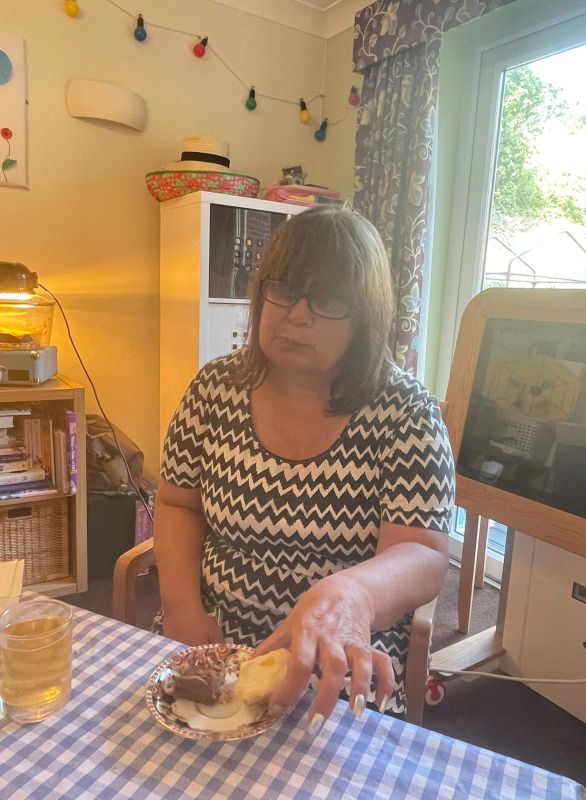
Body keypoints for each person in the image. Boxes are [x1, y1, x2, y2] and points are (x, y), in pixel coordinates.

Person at [153, 206, 455, 731]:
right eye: (284, 289)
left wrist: (349, 594)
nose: (297, 314)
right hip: (214, 639)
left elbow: (423, 554)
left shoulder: (406, 412)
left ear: (366, 316)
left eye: (328, 299)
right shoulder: (214, 388)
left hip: (340, 654)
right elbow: (177, 501)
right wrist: (181, 606)